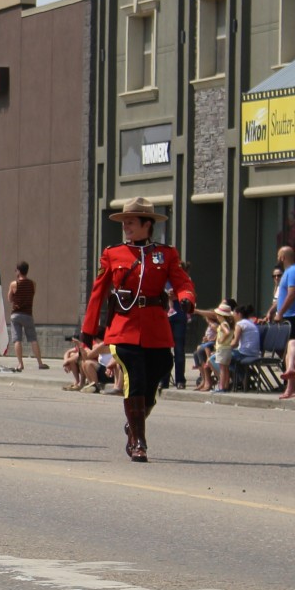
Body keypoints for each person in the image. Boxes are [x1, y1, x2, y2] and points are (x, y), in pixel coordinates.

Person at [81, 196, 195, 461]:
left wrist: (187, 298)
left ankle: (135, 420)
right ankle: (138, 442)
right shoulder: (113, 253)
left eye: (130, 222)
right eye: (124, 222)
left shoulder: (166, 254)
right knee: (135, 379)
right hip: (124, 326)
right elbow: (98, 292)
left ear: (147, 224)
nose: (126, 227)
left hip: (156, 326)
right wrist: (88, 328)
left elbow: (181, 282)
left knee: (160, 370)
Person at [4, 262, 45, 371]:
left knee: (17, 339)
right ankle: (40, 363)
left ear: (18, 271)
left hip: (16, 314)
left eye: (16, 270)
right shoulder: (33, 284)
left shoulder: (14, 284)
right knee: (33, 339)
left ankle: (20, 364)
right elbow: (32, 295)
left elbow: (9, 299)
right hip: (28, 314)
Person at [269, 245, 295, 335]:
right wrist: (271, 312)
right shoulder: (287, 272)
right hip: (286, 315)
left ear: (283, 257)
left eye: (278, 256)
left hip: (292, 316)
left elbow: (292, 294)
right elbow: (281, 297)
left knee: (290, 344)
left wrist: (280, 313)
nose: (277, 259)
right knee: (283, 347)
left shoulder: (293, 272)